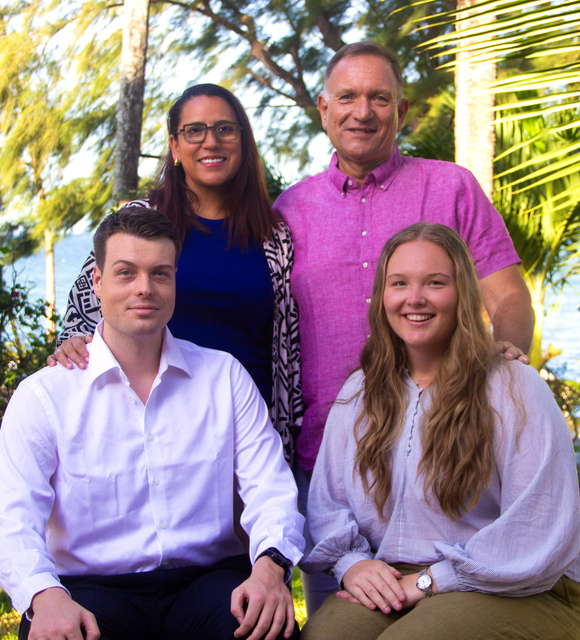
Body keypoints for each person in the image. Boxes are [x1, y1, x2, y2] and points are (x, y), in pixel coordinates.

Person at [273, 42, 535, 611]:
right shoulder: (287, 212)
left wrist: (504, 365)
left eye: (379, 98)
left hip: (450, 462)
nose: (361, 111)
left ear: (402, 110)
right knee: (336, 625)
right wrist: (86, 330)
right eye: (346, 97)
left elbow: (508, 296)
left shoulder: (452, 188)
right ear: (323, 108)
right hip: (331, 471)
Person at [0, 207, 304, 640]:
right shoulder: (44, 396)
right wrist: (43, 595)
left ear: (175, 280)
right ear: (97, 283)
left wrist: (271, 568)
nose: (145, 288)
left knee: (268, 630)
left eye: (160, 274)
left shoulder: (224, 377)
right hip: (89, 590)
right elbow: (12, 521)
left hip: (209, 582)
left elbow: (271, 490)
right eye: (126, 273)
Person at [299, 222, 580, 640]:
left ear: (463, 293)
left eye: (435, 283)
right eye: (399, 283)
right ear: (381, 298)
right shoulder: (359, 392)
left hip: (523, 583)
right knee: (328, 635)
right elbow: (329, 502)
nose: (415, 298)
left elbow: (537, 527)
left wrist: (431, 582)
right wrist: (352, 564)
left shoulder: (512, 386)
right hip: (402, 575)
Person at [49, 83, 302, 464]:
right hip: (145, 428)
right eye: (194, 130)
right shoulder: (138, 220)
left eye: (224, 129)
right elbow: (85, 311)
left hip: (247, 435)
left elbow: (287, 345)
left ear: (243, 142)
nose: (210, 142)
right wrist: (71, 344)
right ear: (174, 147)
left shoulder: (274, 235)